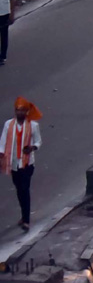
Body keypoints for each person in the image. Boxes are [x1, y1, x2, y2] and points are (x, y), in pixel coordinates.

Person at [1, 97, 42, 230]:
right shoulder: (9, 125)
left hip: (27, 164)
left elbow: (38, 142)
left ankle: (26, 220)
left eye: (22, 111)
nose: (20, 113)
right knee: (19, 190)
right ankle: (23, 215)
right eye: (18, 110)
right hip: (13, 163)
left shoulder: (33, 126)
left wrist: (32, 148)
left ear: (26, 112)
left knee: (24, 189)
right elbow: (3, 141)